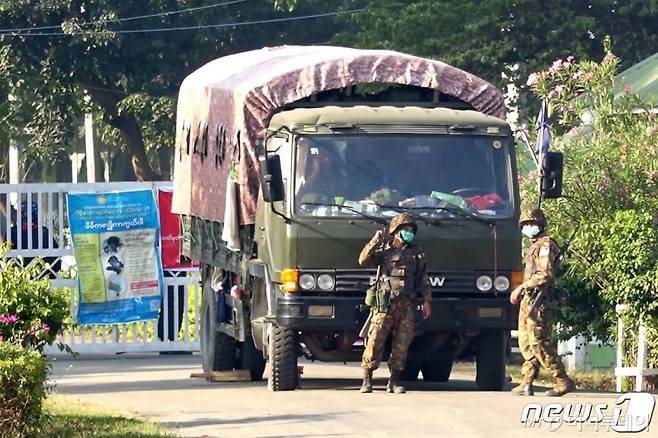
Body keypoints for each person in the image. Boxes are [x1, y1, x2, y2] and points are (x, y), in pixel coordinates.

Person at [358, 212, 432, 394]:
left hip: (406, 305)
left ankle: (394, 381)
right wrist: (374, 241)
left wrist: (427, 300)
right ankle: (367, 380)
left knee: (402, 344)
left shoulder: (417, 253)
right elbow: (363, 260)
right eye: (405, 230)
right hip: (385, 304)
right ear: (396, 231)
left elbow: (423, 278)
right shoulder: (384, 251)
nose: (409, 233)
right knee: (375, 341)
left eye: (411, 230)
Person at [509, 208, 576, 397]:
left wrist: (520, 288)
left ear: (540, 225)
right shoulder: (533, 245)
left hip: (539, 300)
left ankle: (563, 379)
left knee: (539, 341)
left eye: (532, 224)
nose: (528, 227)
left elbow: (545, 274)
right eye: (525, 224)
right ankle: (527, 381)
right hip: (529, 299)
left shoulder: (545, 245)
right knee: (525, 341)